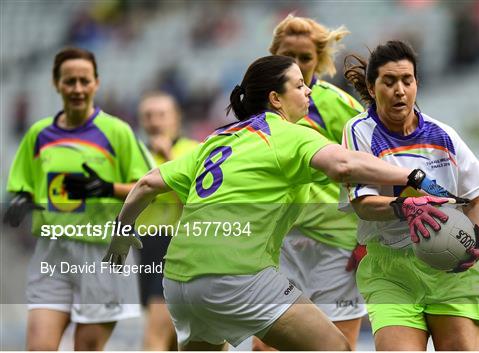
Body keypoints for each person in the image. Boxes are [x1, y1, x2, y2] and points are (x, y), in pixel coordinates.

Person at [103, 55, 456, 351]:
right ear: (275, 98)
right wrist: (412, 176)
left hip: (180, 283)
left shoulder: (218, 139)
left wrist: (121, 233)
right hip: (237, 276)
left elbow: (148, 183)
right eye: (300, 85)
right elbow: (345, 163)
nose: (308, 91)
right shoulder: (288, 133)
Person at [342, 40, 479, 351]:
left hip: (453, 268)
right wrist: (405, 207)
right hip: (392, 271)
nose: (400, 90)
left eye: (406, 80)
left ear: (416, 85)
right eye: (389, 81)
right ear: (372, 88)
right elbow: (363, 205)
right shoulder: (359, 132)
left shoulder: (444, 135)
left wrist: (477, 242)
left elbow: (477, 201)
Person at [3, 47, 152, 350]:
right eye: (69, 81)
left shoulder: (117, 132)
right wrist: (19, 202)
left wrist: (107, 188)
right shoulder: (38, 135)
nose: (77, 89)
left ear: (96, 83)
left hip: (103, 255)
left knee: (86, 349)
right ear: (56, 84)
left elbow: (147, 186)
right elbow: (23, 187)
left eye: (84, 81)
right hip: (52, 252)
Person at [252, 15, 367, 351]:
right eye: (289, 56)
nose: (298, 65)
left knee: (338, 345)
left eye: (306, 58)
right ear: (274, 55)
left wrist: (367, 239)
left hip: (337, 245)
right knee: (264, 347)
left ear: (319, 59)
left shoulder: (337, 105)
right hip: (280, 240)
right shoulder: (258, 108)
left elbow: (370, 166)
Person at [137, 91, 199, 350]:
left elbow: (198, 199)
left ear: (177, 118)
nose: (155, 122)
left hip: (180, 245)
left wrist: (170, 156)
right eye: (148, 116)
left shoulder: (193, 150)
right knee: (174, 337)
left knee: (157, 333)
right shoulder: (136, 155)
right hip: (146, 247)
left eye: (162, 115)